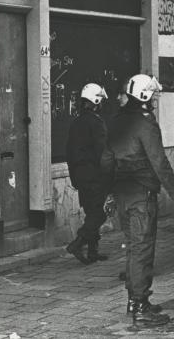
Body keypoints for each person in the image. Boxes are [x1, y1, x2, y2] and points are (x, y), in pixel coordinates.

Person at [100, 74, 174, 327]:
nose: (157, 99)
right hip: (141, 195)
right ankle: (140, 307)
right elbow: (159, 162)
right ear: (146, 95)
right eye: (155, 95)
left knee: (132, 246)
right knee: (142, 249)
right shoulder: (145, 123)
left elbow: (106, 160)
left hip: (122, 194)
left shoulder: (116, 122)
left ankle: (135, 300)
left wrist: (108, 193)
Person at [66, 83, 111, 265]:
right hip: (94, 174)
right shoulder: (96, 123)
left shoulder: (76, 122)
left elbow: (69, 150)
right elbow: (102, 152)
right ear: (96, 101)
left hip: (80, 174)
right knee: (98, 214)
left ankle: (93, 251)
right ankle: (77, 243)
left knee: (91, 211)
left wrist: (74, 176)